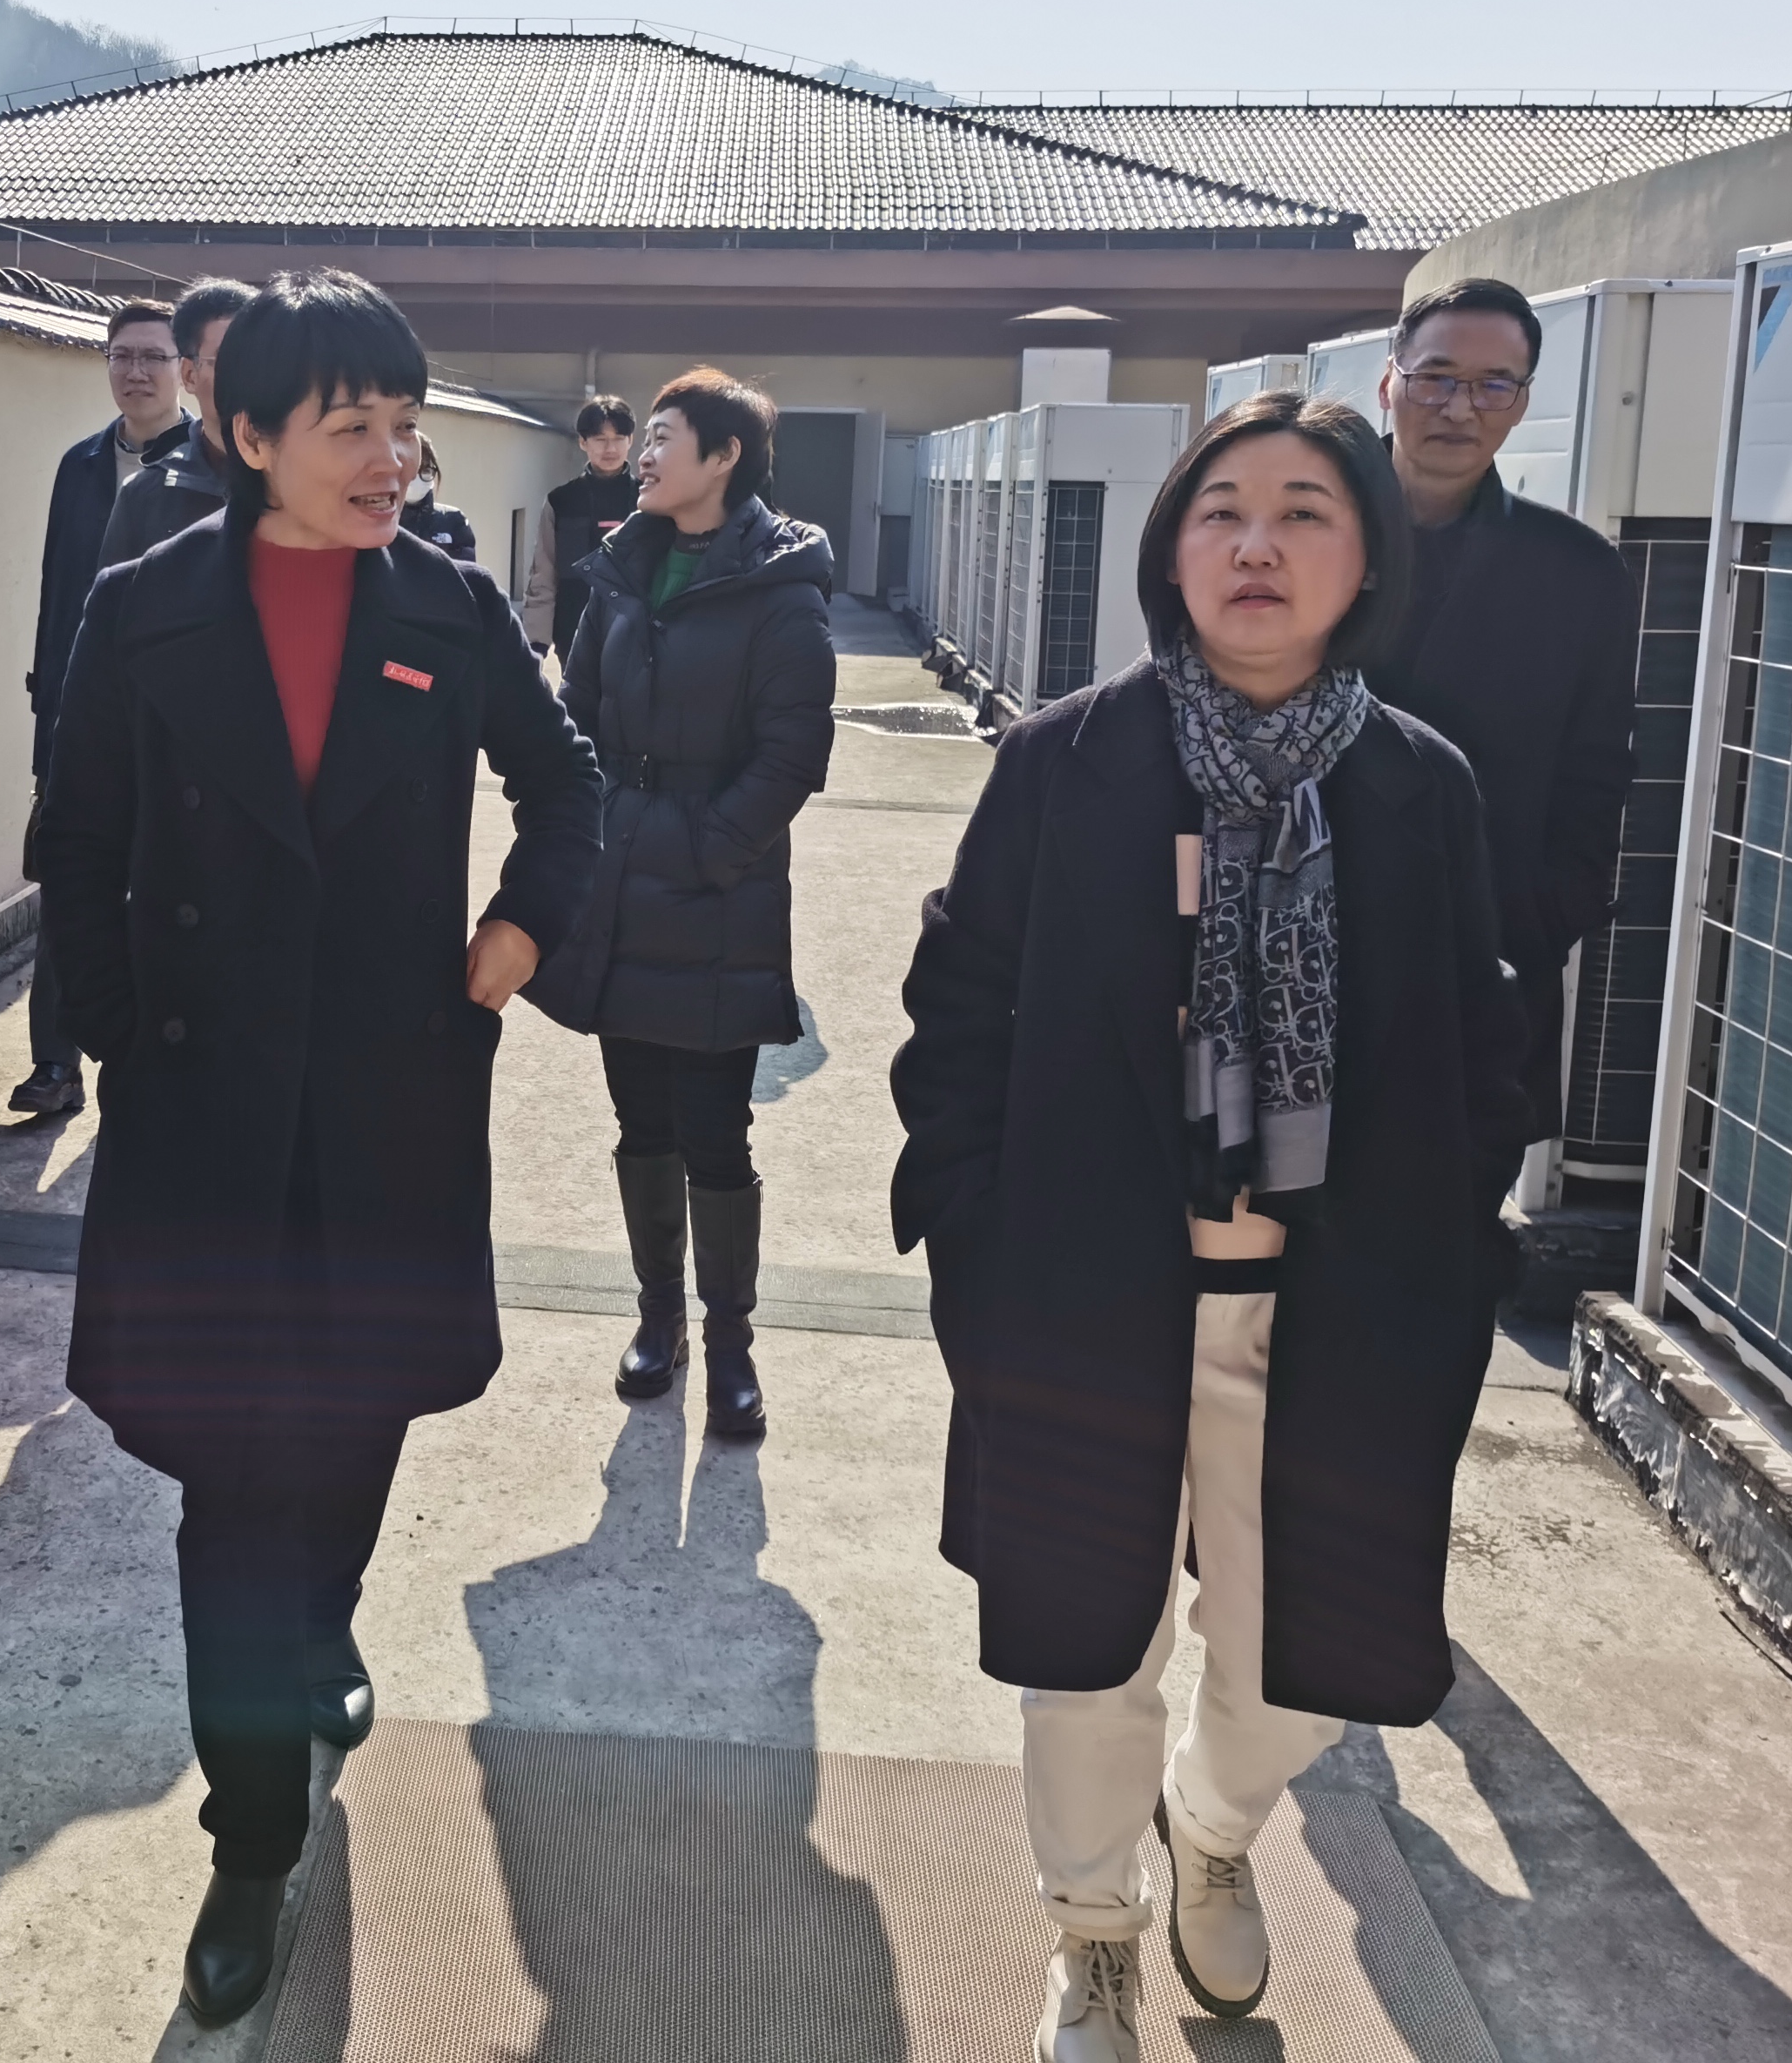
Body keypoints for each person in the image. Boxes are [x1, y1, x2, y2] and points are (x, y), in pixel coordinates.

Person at [889, 394, 1526, 2062]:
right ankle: (1092, 1928)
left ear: (1363, 557)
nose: (1256, 544)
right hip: (1084, 1295)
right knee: (1086, 1649)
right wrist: (970, 1232)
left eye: (1304, 510)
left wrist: (1449, 1249)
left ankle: (1217, 1824)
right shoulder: (1064, 761)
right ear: (1169, 550)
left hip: (1327, 1311)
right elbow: (955, 1010)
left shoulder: (1415, 785)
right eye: (1220, 509)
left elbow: (1478, 1044)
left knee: (1295, 1662)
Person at [36, 270, 600, 2029]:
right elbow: (79, 841)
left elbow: (567, 786)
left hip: (385, 1097)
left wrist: (515, 937)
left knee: (349, 1432)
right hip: (203, 1111)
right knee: (231, 1486)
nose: (389, 459)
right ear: (248, 433)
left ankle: (320, 1623)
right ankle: (252, 1836)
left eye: (403, 425)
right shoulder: (144, 608)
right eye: (351, 425)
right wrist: (121, 1035)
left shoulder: (444, 602)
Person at [524, 368, 835, 1438]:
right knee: (640, 1120)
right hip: (618, 882)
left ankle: (731, 1339)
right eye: (644, 437)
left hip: (715, 895)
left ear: (726, 457)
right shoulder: (621, 570)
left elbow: (792, 755)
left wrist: (709, 851)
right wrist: (586, 826)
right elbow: (575, 716)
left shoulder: (781, 587)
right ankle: (659, 1318)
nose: (645, 455)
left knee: (716, 1130)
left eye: (665, 437)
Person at [1362, 277, 1636, 1230]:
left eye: (1493, 385)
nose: (1460, 408)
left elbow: (1597, 771)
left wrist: (1548, 914)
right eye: (1436, 377)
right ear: (1389, 384)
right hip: (1292, 945)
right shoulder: (1306, 539)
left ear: (1522, 403)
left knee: (1442, 1251)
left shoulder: (1577, 572)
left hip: (1482, 961)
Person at [17, 299, 196, 1118]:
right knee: (72, 876)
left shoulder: (210, 467)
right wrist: (45, 719)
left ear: (184, 370)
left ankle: (154, 1044)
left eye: (154, 357)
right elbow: (59, 597)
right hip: (80, 706)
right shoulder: (79, 465)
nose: (136, 372)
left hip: (170, 715)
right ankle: (54, 1062)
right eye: (122, 356)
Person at [98, 277, 257, 568]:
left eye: (257, 359)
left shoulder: (302, 481)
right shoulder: (145, 496)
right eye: (227, 360)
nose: (246, 374)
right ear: (189, 375)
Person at [520, 393, 639, 655]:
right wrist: (536, 642)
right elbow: (543, 573)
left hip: (636, 631)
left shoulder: (650, 500)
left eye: (619, 438)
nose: (610, 449)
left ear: (630, 440)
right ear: (583, 442)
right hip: (573, 630)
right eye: (600, 439)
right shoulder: (561, 501)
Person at [397, 431, 481, 564]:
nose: (417, 478)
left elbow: (466, 572)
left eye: (426, 470)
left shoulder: (453, 521)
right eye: (413, 469)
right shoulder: (380, 523)